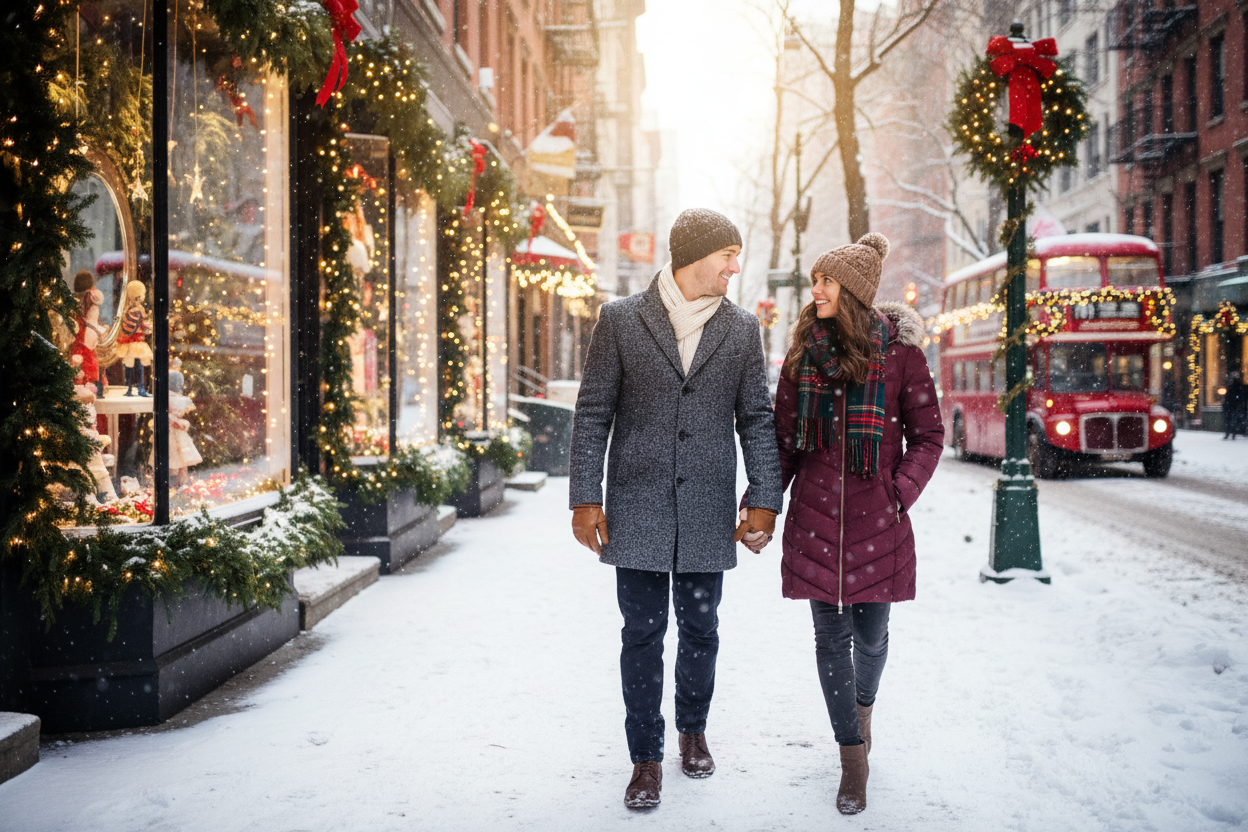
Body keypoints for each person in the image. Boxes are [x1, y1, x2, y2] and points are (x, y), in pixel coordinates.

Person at [569, 208, 783, 810]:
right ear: (693, 256)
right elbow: (592, 415)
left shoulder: (741, 329)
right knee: (641, 633)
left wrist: (765, 500)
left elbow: (756, 420)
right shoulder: (620, 321)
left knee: (700, 629)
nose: (735, 267)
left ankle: (692, 730)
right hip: (635, 505)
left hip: (707, 505)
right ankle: (645, 758)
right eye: (728, 255)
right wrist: (585, 498)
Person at [772, 233, 943, 815]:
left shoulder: (901, 359)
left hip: (880, 523)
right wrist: (762, 505)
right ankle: (853, 759)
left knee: (870, 640)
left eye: (826, 280)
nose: (815, 288)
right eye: (816, 279)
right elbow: (782, 446)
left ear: (853, 292)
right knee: (829, 640)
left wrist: (900, 491)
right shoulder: (801, 358)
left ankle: (862, 710)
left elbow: (928, 436)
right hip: (815, 522)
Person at [1222, 371, 1247, 440]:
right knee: (1234, 420)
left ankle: (1230, 432)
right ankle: (1233, 432)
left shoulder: (1231, 386)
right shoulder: (1240, 387)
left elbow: (1228, 396)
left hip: (1231, 405)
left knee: (1230, 420)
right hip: (1235, 405)